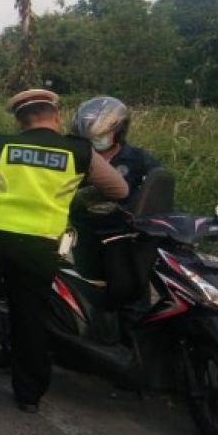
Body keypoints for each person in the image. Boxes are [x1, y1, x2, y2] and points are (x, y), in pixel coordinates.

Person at [0, 89, 128, 413]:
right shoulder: (79, 151)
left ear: (20, 120)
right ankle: (29, 395)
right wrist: (71, 194)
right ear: (55, 116)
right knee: (31, 317)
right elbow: (118, 189)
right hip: (40, 246)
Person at [70, 95, 163, 307]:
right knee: (86, 295)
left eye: (101, 135)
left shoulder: (139, 160)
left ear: (119, 132)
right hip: (83, 236)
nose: (94, 142)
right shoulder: (75, 158)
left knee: (133, 297)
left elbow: (156, 191)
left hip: (125, 239)